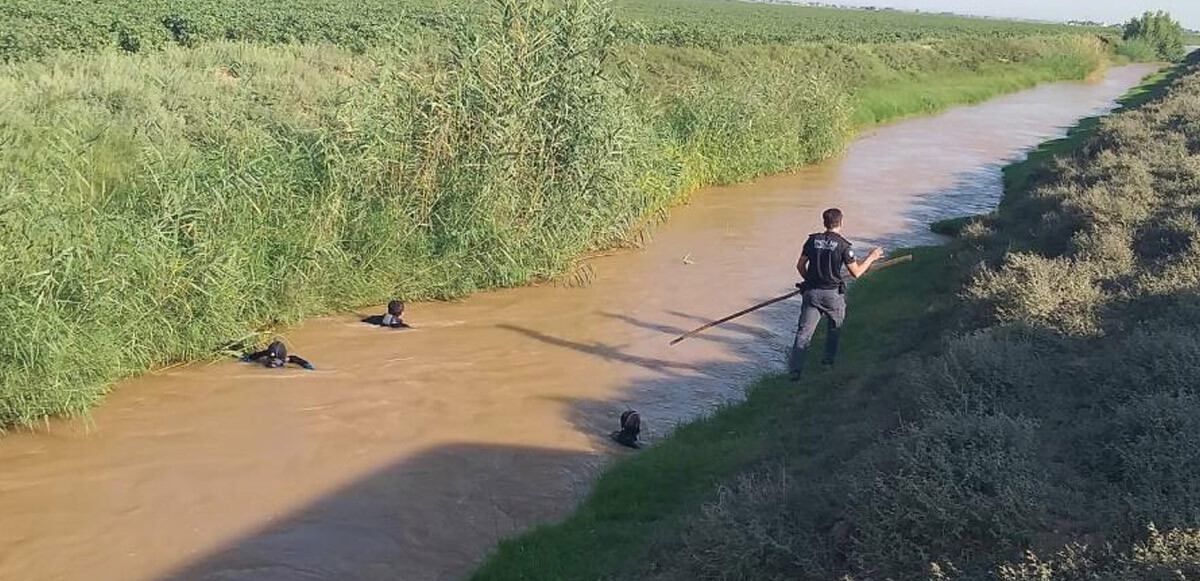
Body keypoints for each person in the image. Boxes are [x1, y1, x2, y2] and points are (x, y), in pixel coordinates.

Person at [790, 208, 883, 381]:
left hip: (811, 293)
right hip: (833, 295)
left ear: (824, 222)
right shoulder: (844, 246)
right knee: (834, 328)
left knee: (803, 333)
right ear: (840, 223)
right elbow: (856, 273)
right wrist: (871, 257)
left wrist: (810, 280)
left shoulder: (812, 240)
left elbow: (800, 265)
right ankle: (827, 363)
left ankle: (795, 371)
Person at [240, 340, 315, 370]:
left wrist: (307, 366)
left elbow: (306, 365)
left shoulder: (291, 359)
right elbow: (252, 357)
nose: (272, 363)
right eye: (271, 359)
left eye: (275, 361)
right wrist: (247, 358)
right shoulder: (264, 355)